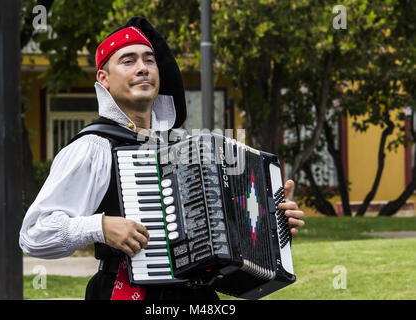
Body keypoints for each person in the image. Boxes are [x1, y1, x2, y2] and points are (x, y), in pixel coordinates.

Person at [19, 17, 305, 300]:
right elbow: (34, 234)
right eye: (128, 61)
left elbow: (221, 244)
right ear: (104, 79)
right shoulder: (93, 147)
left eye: (149, 60)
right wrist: (100, 227)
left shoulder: (184, 149)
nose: (142, 68)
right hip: (127, 293)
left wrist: (272, 224)